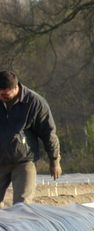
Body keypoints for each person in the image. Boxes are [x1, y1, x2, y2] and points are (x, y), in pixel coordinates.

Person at [0, 71, 62, 205]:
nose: (2, 96)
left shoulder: (34, 102)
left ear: (16, 88)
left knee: (22, 205)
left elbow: (48, 133)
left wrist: (54, 160)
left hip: (23, 161)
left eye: (5, 94)